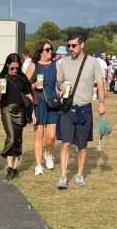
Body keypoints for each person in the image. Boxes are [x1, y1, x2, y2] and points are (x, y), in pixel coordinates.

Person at [55, 32, 105, 188]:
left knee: (82, 146)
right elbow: (58, 82)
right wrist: (60, 86)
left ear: (82, 45)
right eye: (69, 45)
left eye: (74, 45)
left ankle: (79, 175)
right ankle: (63, 176)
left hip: (84, 108)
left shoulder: (93, 62)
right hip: (68, 108)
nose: (71, 48)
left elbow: (100, 83)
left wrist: (101, 102)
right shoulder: (63, 63)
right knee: (65, 143)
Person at [0, 53, 34, 179]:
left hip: (20, 110)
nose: (15, 70)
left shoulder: (22, 78)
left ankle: (14, 167)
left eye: (17, 68)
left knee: (18, 139)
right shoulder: (2, 78)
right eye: (12, 68)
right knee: (11, 137)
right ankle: (8, 163)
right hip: (7, 109)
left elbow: (28, 95)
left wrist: (32, 112)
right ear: (7, 65)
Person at [26, 40, 58, 175]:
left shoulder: (56, 66)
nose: (50, 52)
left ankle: (48, 154)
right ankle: (38, 165)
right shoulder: (33, 66)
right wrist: (33, 86)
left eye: (51, 49)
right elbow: (24, 86)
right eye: (47, 50)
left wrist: (63, 89)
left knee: (51, 136)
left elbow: (60, 82)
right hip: (38, 103)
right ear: (40, 52)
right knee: (38, 135)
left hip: (52, 102)